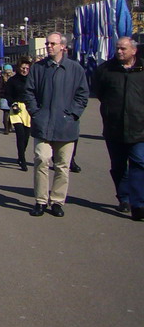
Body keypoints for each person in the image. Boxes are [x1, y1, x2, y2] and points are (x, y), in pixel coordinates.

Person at [23, 33, 90, 217]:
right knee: (41, 160)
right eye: (47, 43)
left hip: (66, 125)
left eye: (53, 43)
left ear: (62, 46)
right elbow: (28, 92)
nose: (49, 46)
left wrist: (73, 114)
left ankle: (58, 201)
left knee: (62, 166)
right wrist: (36, 113)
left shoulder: (75, 69)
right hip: (43, 123)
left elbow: (83, 95)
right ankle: (41, 201)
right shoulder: (38, 68)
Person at [93, 37, 144, 219]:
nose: (119, 52)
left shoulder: (142, 69)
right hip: (114, 127)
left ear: (133, 51)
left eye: (123, 49)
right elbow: (99, 92)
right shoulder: (106, 70)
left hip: (139, 127)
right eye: (117, 48)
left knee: (139, 163)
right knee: (119, 166)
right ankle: (124, 198)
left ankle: (139, 203)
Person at [2, 58, 33, 170]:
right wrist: (12, 103)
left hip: (28, 109)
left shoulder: (31, 80)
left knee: (26, 137)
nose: (25, 70)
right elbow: (7, 94)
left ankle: (21, 153)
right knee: (20, 134)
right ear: (19, 68)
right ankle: (22, 159)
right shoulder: (13, 80)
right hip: (16, 108)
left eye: (27, 68)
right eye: (23, 68)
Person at [0, 63, 15, 134]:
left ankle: (7, 127)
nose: (8, 73)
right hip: (8, 98)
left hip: (8, 97)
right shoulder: (10, 78)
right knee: (9, 113)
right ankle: (7, 127)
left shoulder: (5, 78)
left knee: (8, 113)